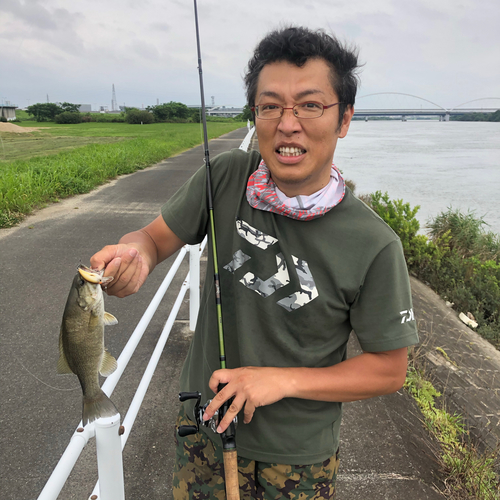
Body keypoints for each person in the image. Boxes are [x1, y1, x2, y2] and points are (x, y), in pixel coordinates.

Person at [91, 26, 419, 500]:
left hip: (299, 457)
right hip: (202, 433)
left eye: (310, 105)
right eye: (270, 106)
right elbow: (151, 239)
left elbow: (389, 370)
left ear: (344, 119)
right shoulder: (226, 178)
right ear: (256, 114)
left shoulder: (374, 244)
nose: (288, 124)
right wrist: (133, 255)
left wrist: (278, 380)